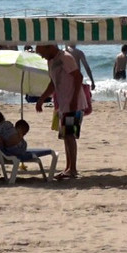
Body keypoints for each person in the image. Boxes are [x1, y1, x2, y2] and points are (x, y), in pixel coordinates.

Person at [34, 44, 86, 181]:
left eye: (41, 53)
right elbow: (53, 83)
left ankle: (73, 169)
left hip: (72, 102)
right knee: (65, 135)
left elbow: (78, 77)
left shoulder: (65, 57)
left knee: (70, 135)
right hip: (63, 103)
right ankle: (68, 168)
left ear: (49, 47)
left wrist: (74, 100)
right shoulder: (51, 62)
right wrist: (41, 99)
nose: (42, 56)